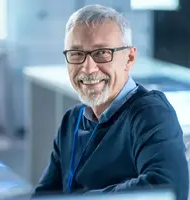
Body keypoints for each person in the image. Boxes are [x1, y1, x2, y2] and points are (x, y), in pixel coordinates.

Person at [32, 4, 189, 200]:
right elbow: (45, 195)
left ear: (129, 58)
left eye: (102, 53)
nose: (88, 68)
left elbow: (170, 188)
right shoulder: (71, 121)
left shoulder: (150, 113)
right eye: (76, 54)